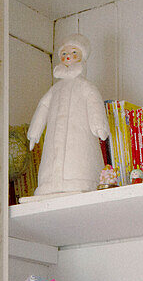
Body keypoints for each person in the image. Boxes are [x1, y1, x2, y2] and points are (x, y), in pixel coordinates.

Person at [27, 34, 109, 199]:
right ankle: (49, 184)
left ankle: (80, 180)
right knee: (52, 155)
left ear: (82, 57)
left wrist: (99, 126)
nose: (68, 56)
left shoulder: (86, 87)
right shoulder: (55, 90)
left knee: (77, 156)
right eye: (64, 54)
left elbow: (94, 104)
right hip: (53, 141)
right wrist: (34, 133)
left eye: (73, 52)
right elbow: (43, 107)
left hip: (79, 137)